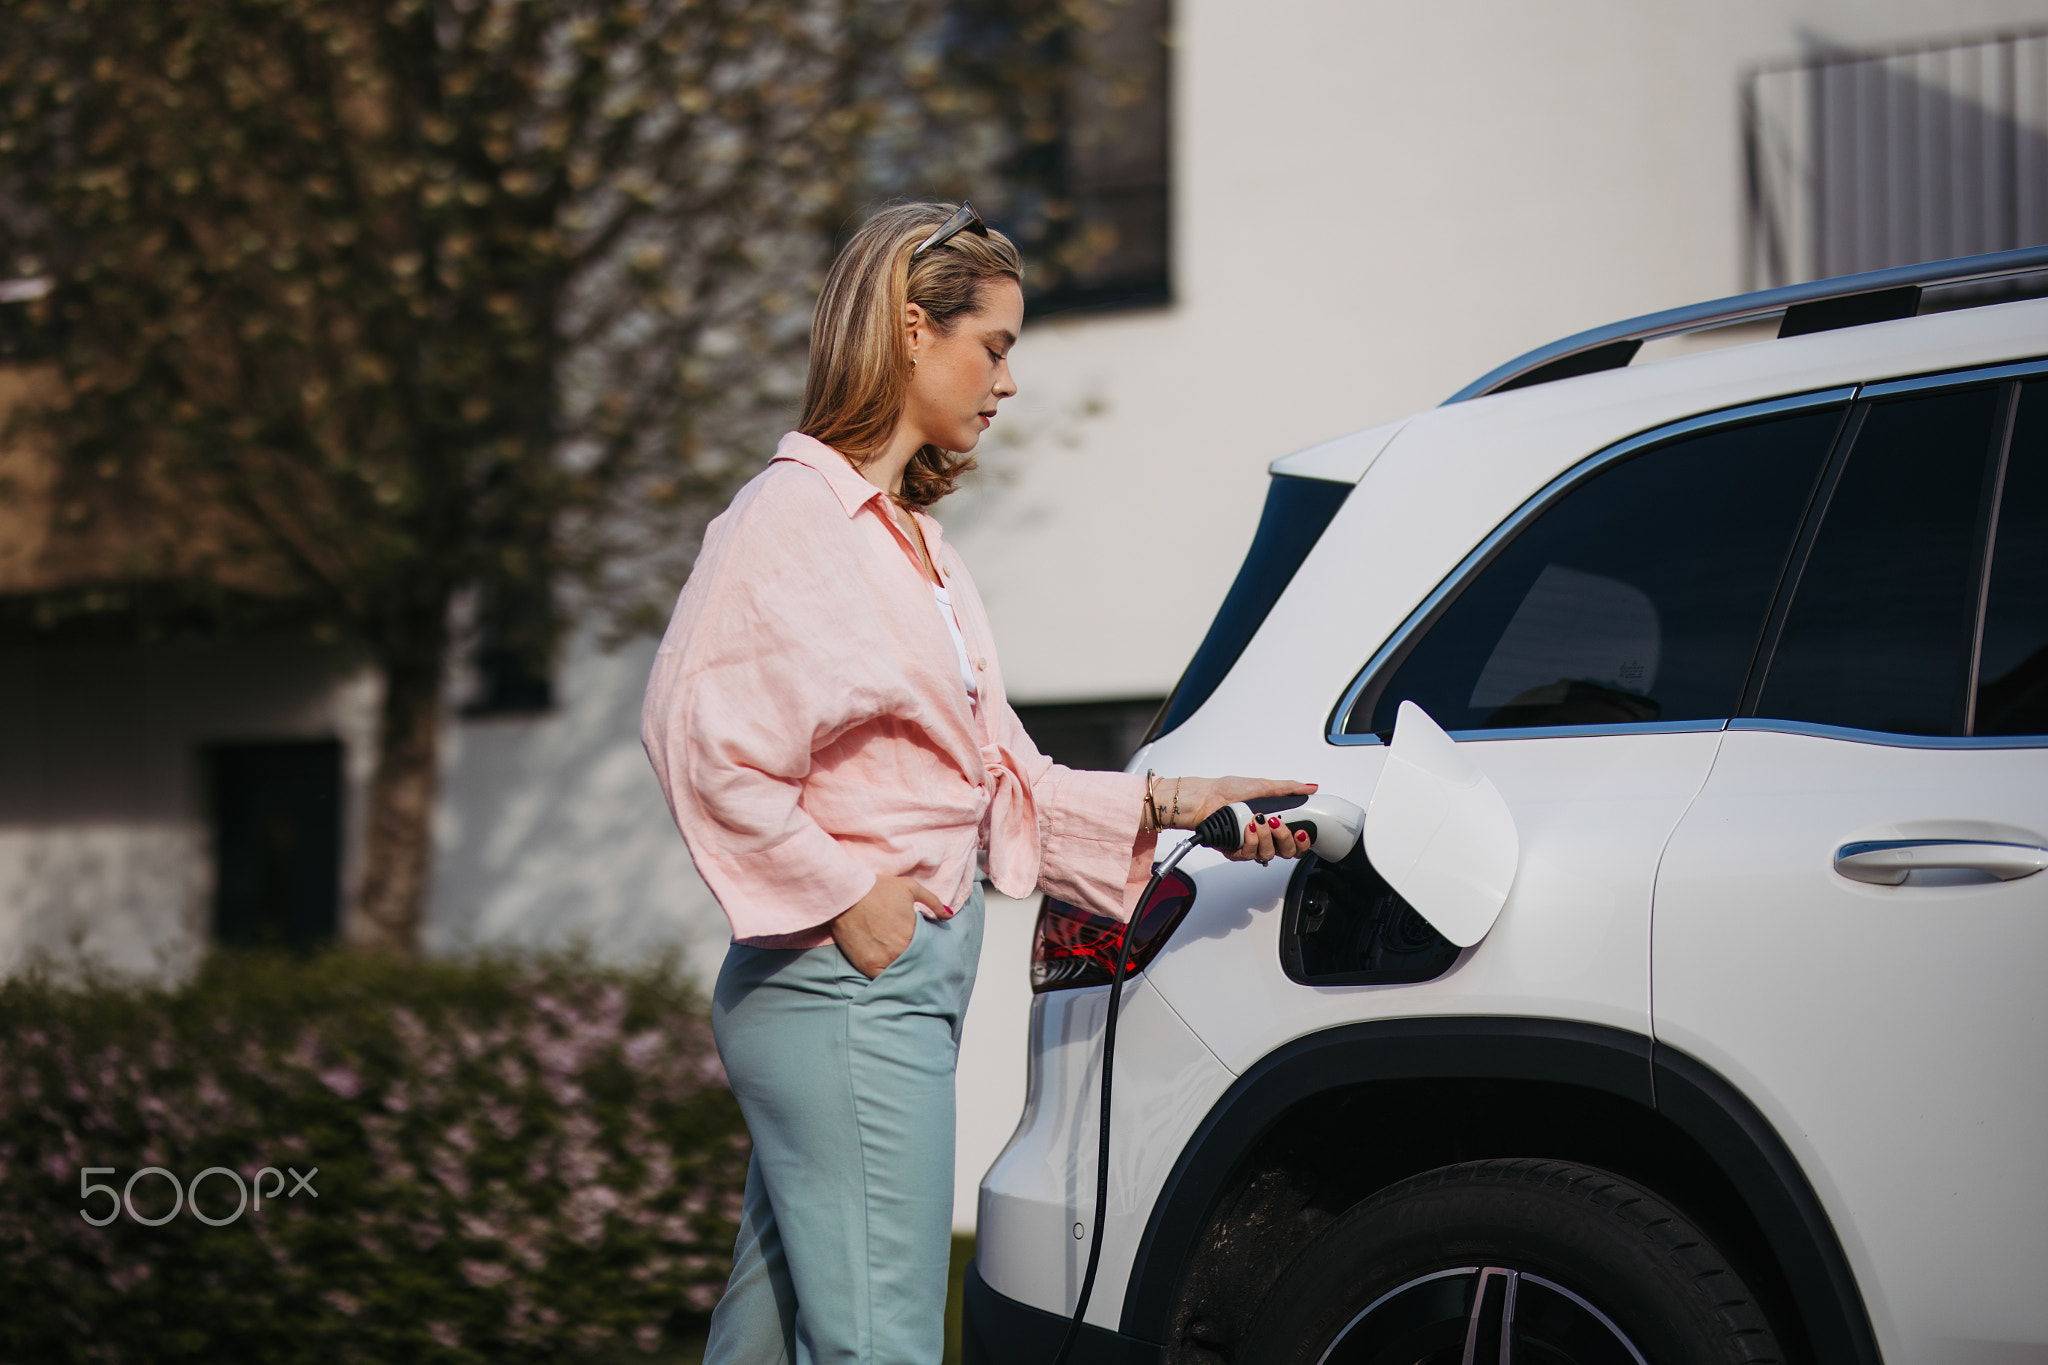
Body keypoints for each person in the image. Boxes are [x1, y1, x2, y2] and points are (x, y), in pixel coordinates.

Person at [641, 200, 1315, 1365]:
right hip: (845, 982)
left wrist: (1178, 800)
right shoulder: (792, 517)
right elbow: (694, 733)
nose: (1006, 383)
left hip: (871, 981)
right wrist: (850, 891)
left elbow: (1001, 776)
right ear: (911, 329)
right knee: (880, 1346)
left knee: (768, 1339)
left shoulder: (912, 543)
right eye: (992, 346)